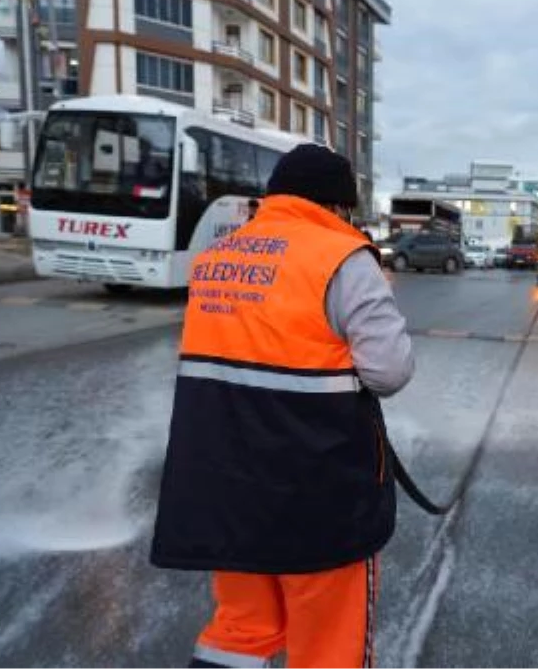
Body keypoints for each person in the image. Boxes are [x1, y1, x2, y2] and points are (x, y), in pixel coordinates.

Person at [150, 143, 414, 669]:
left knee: (241, 629)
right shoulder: (342, 258)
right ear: (337, 206)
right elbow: (389, 372)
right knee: (328, 645)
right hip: (316, 494)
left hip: (226, 487)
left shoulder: (217, 259)